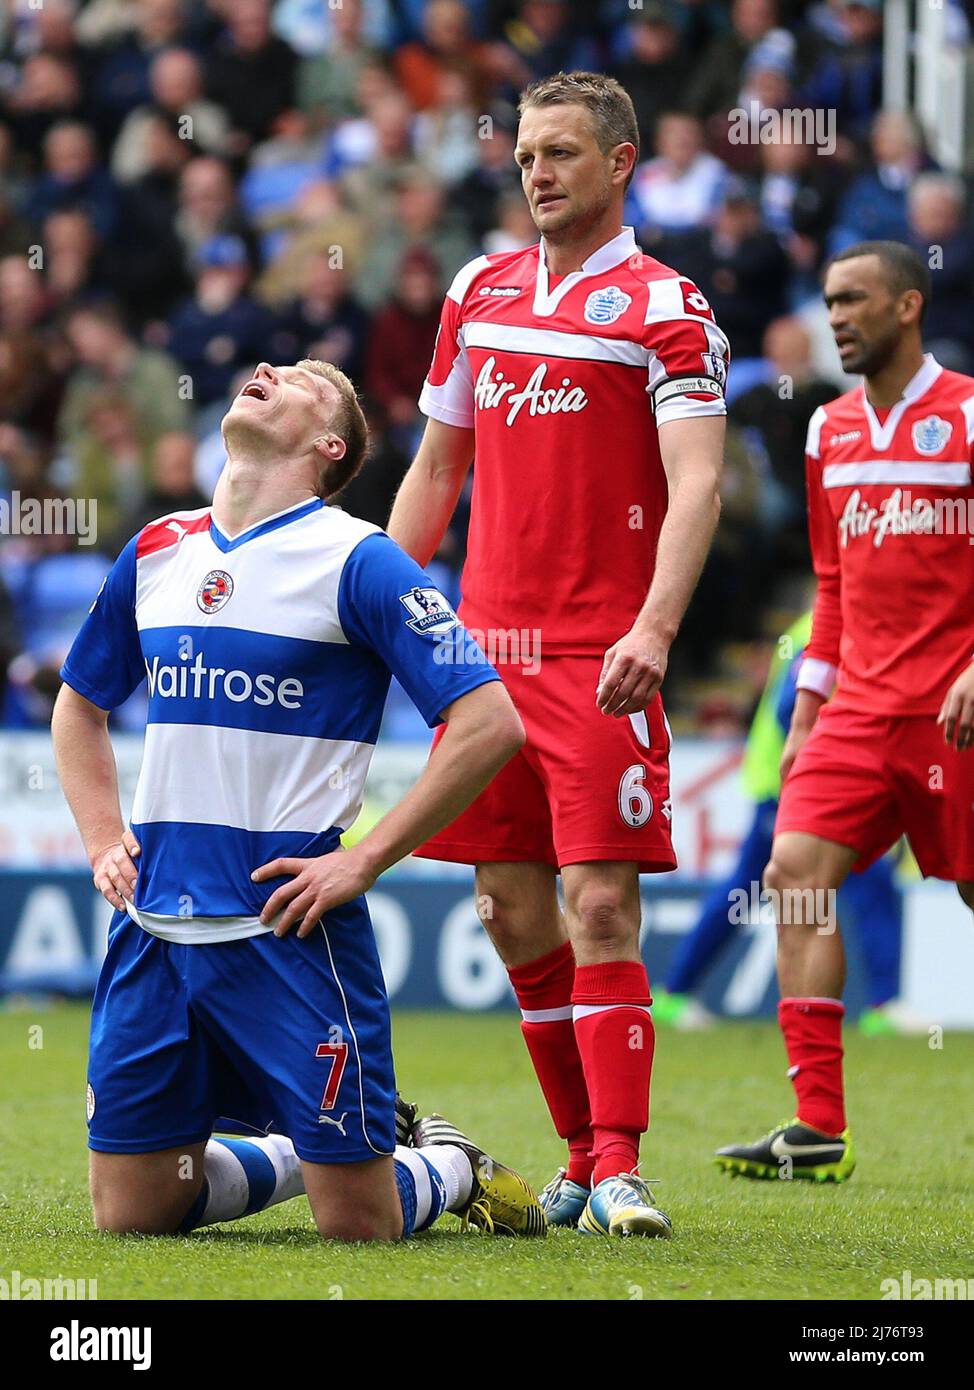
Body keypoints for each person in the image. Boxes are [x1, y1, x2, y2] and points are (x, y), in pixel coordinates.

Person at [51, 356, 544, 1241]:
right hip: (154, 933)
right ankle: (301, 1152)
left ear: (330, 444)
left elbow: (490, 722)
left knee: (357, 1227)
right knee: (133, 1212)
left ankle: (446, 1167)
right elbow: (79, 705)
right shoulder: (160, 547)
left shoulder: (360, 560)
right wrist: (99, 837)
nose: (269, 368)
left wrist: (363, 858)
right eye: (271, 367)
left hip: (287, 933)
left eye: (309, 380)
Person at [387, 71, 728, 1238]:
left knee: (597, 905)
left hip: (599, 657)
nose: (537, 172)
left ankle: (623, 1164)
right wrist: (379, 609)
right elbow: (436, 469)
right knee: (508, 910)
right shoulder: (478, 289)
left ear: (620, 162)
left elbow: (697, 482)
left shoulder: (666, 307)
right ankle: (580, 1156)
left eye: (562, 153)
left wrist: (654, 627)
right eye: (527, 153)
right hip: (480, 657)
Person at [715, 241, 974, 1182]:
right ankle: (818, 1123)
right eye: (829, 302)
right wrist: (809, 709)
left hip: (957, 711)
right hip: (860, 707)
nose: (838, 318)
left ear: (909, 305)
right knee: (795, 870)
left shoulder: (971, 413)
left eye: (855, 300)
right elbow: (832, 587)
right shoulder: (828, 432)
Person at [654, 612, 910, 1033]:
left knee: (852, 881)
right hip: (789, 782)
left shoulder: (817, 623)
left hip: (810, 779)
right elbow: (791, 709)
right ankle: (676, 992)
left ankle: (882, 1004)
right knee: (756, 887)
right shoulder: (834, 622)